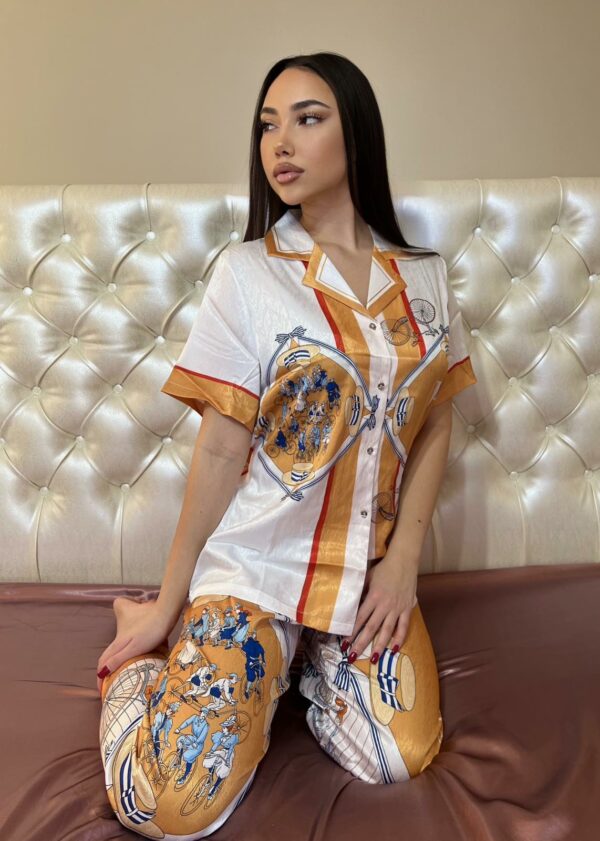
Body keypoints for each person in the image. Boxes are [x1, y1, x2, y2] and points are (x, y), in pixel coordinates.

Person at [96, 51, 478, 839]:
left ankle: (299, 664)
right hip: (258, 570)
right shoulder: (247, 274)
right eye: (269, 125)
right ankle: (145, 680)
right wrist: (166, 607)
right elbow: (217, 452)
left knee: (401, 754)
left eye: (307, 119)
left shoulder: (427, 279)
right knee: (169, 807)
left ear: (355, 131)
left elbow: (437, 420)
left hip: (364, 578)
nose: (281, 142)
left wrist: (403, 562)